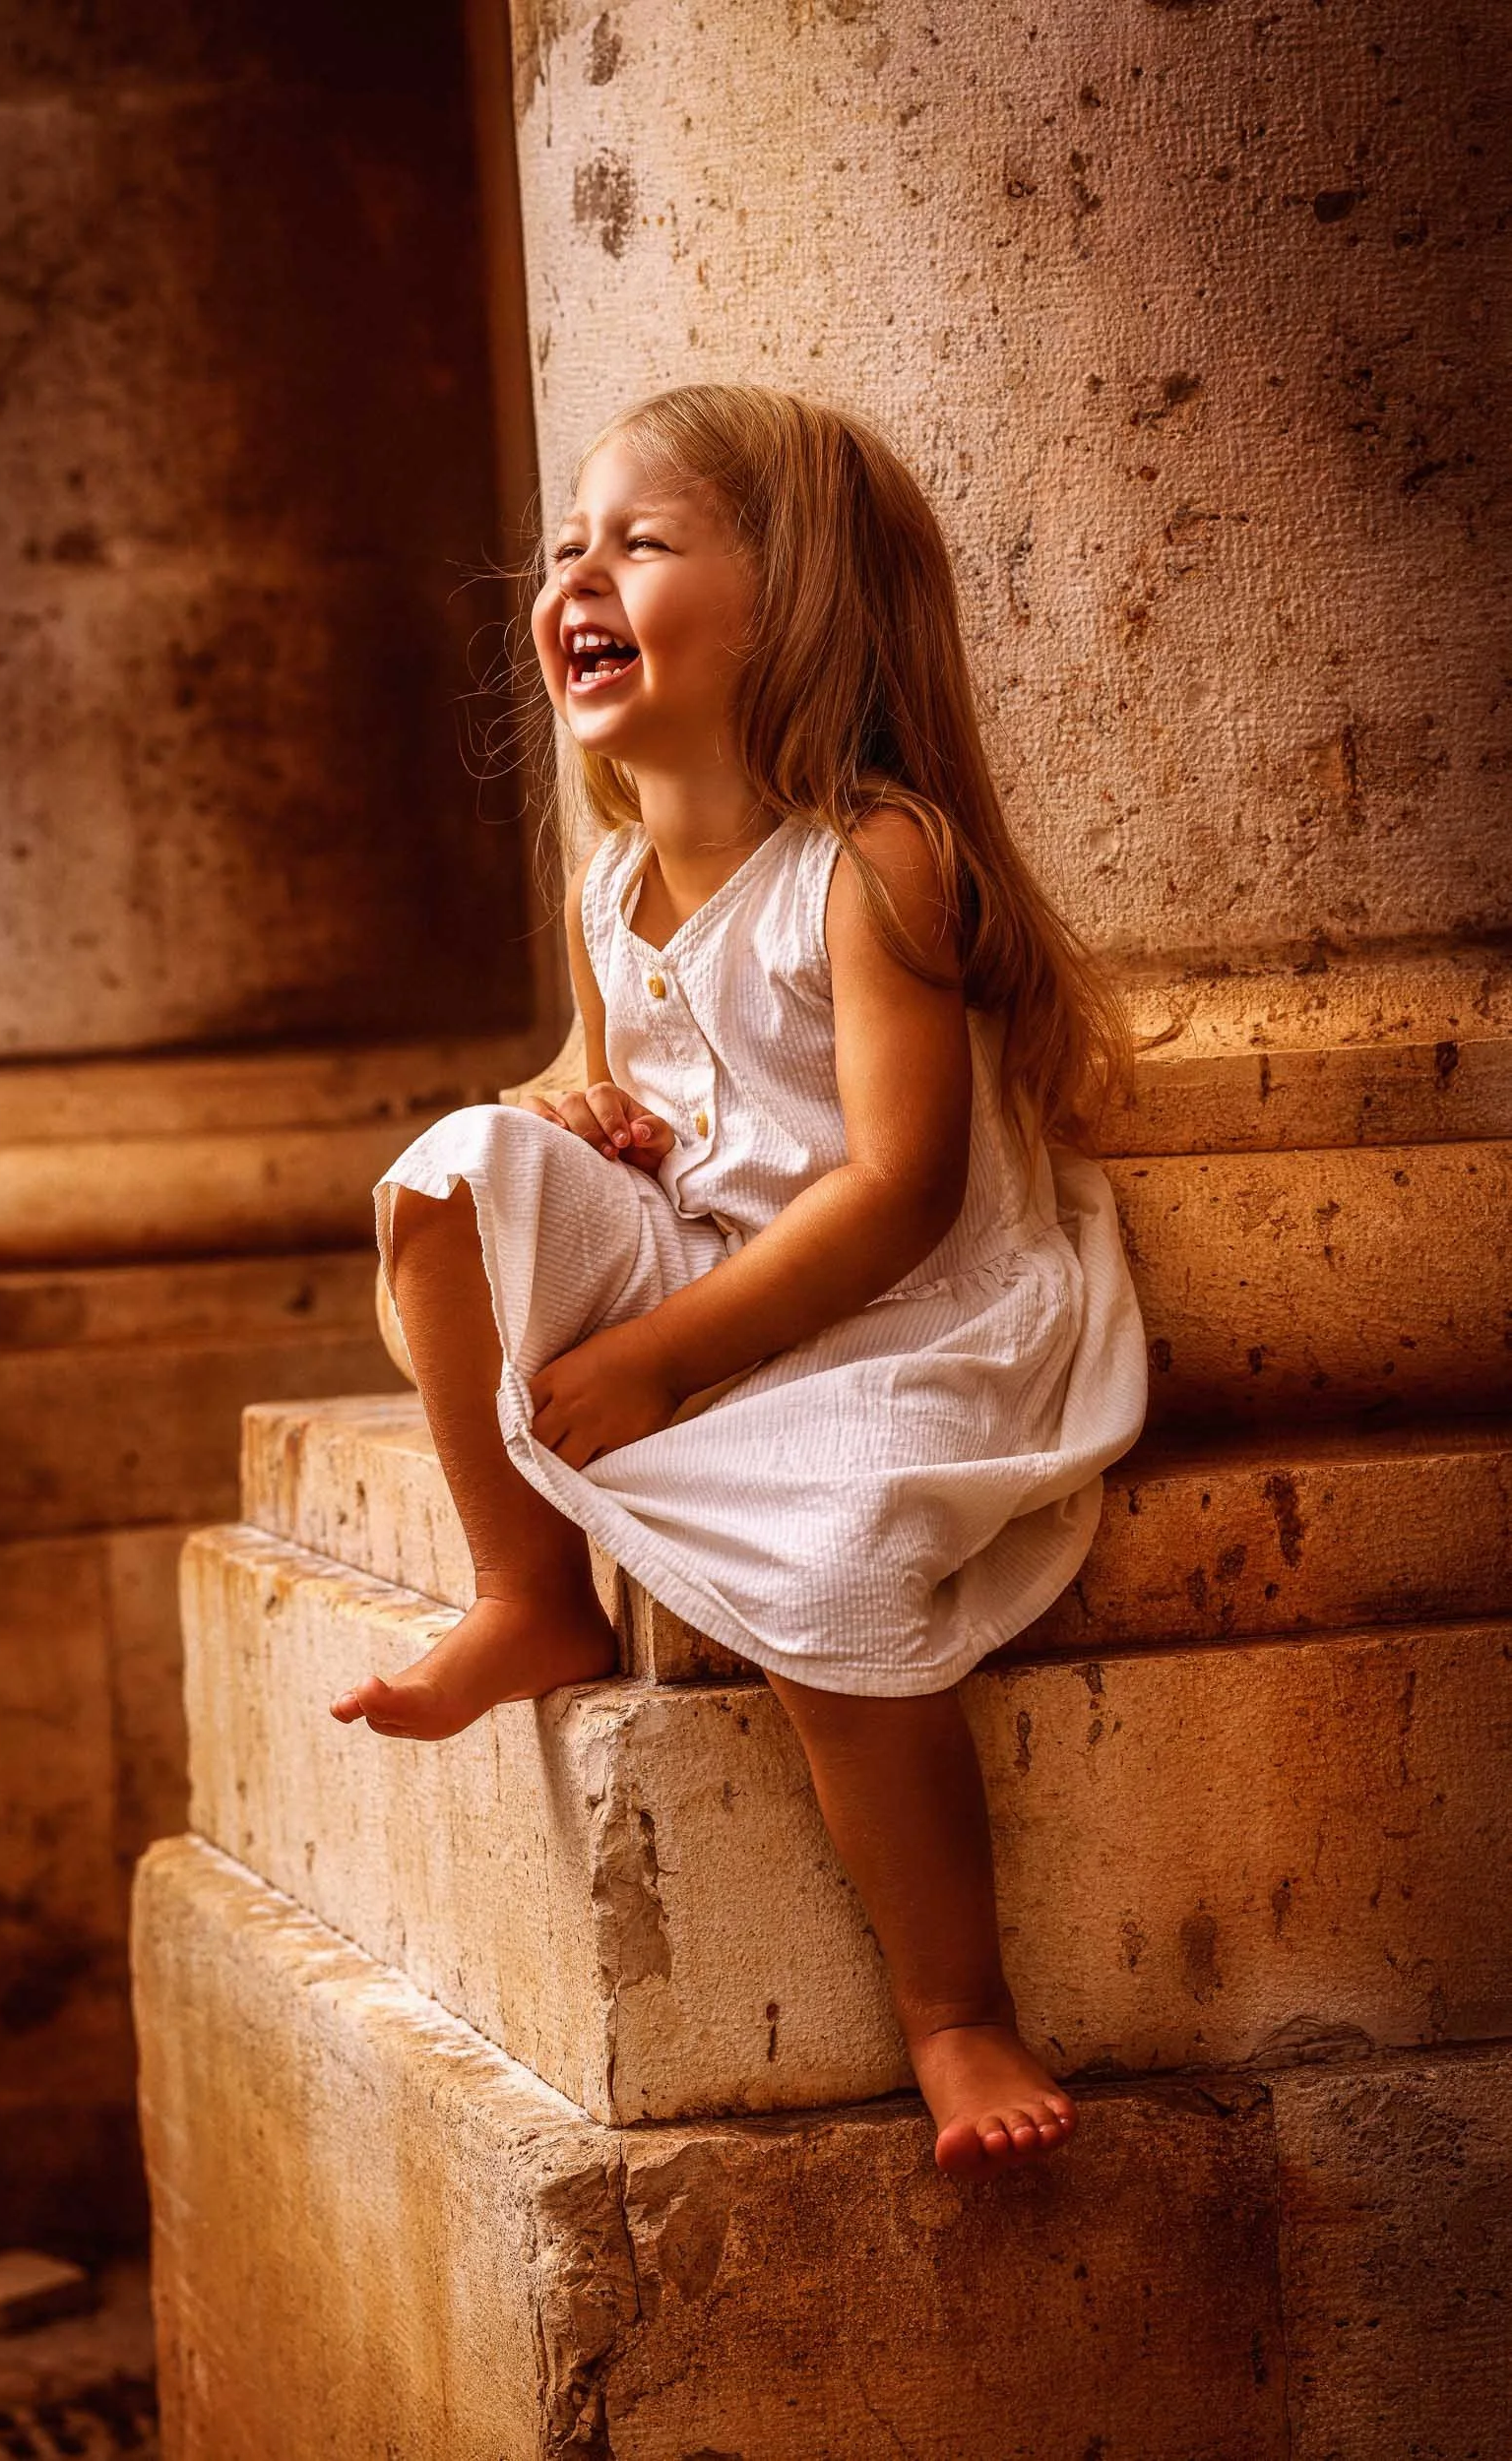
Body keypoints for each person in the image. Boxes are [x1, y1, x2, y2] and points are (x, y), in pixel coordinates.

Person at [332, 384, 1148, 2181]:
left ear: (797, 604)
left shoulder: (873, 861)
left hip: (913, 1314)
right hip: (711, 1262)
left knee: (837, 1552)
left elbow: (898, 1193)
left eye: (638, 542)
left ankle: (951, 2007)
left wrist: (655, 1358)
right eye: (564, 551)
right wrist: (575, 1106)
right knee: (447, 1171)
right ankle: (523, 1587)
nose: (575, 579)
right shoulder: (611, 881)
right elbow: (578, 1069)